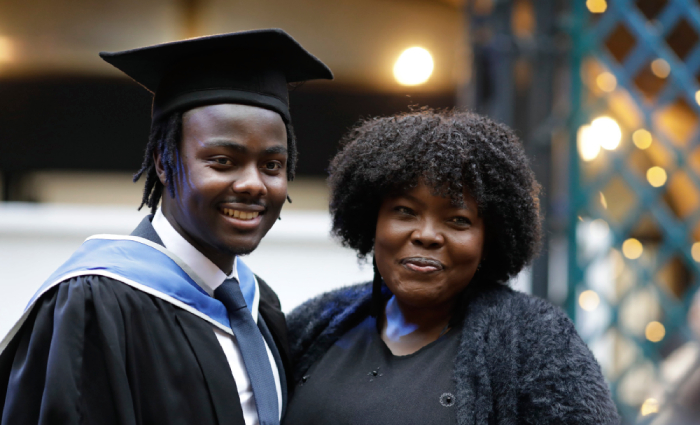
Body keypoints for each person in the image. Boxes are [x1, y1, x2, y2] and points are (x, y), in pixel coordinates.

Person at [0, 29, 332, 425]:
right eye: (223, 161)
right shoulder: (97, 305)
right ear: (163, 161)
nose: (252, 184)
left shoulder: (262, 307)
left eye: (272, 166)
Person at [283, 109, 620, 424]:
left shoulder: (536, 341)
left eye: (458, 220)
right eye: (404, 211)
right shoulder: (314, 324)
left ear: (489, 238)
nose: (427, 235)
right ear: (372, 219)